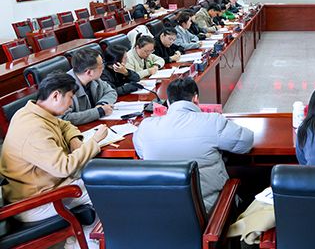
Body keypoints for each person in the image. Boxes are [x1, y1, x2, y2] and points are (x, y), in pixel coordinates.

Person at [133, 77, 254, 213]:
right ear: (195, 98)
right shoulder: (212, 121)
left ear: (168, 102)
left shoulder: (146, 127)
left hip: (161, 210)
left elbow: (141, 152)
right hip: (208, 211)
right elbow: (246, 142)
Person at [0, 72, 108, 222]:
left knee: (103, 178)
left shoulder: (33, 112)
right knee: (106, 190)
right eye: (70, 97)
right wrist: (94, 141)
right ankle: (92, 236)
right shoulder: (33, 129)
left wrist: (74, 139)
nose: (71, 104)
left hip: (50, 186)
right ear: (56, 95)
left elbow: (65, 125)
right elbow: (63, 168)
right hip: (33, 202)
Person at [63, 48, 117, 125]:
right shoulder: (64, 88)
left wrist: (102, 104)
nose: (103, 68)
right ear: (89, 72)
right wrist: (99, 111)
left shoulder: (93, 79)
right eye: (101, 66)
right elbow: (65, 118)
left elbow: (110, 91)